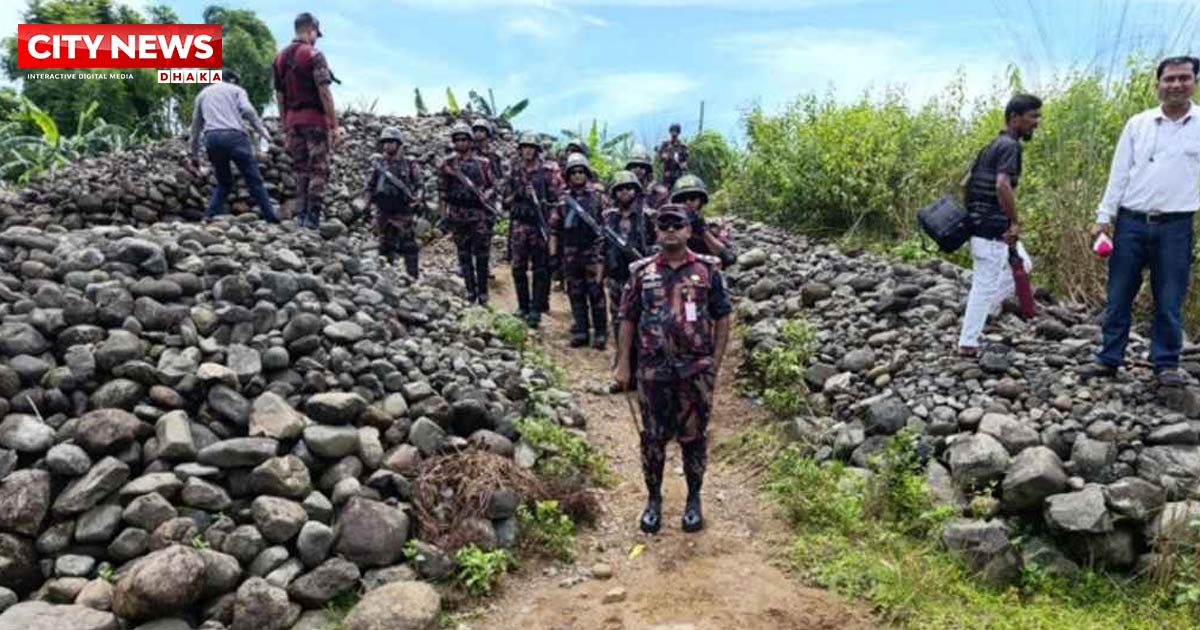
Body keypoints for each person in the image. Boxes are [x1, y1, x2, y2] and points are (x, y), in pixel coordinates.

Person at [1078, 56, 1200, 386]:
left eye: (1183, 78)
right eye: (1169, 79)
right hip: (1131, 223)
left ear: (1194, 82)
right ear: (1158, 83)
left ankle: (1165, 363)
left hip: (1177, 226)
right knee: (1118, 295)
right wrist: (1104, 217)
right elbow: (1118, 174)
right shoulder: (1139, 124)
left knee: (1170, 297)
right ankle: (1109, 357)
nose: (1176, 84)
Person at [613, 205, 732, 534]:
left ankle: (694, 500)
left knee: (693, 439)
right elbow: (628, 318)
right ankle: (653, 500)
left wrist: (716, 362)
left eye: (676, 224)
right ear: (656, 231)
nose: (669, 230)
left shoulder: (709, 270)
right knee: (652, 439)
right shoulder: (641, 271)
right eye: (663, 225)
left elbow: (723, 315)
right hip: (652, 370)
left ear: (688, 231)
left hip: (695, 370)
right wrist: (624, 363)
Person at [956, 94, 1042, 358]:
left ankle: (979, 311)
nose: (1036, 123)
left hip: (981, 225)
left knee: (1023, 265)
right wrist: (1013, 221)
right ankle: (968, 341)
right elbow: (1002, 184)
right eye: (1032, 116)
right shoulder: (1010, 147)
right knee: (984, 282)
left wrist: (974, 213)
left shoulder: (990, 145)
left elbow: (965, 183)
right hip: (994, 229)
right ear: (1014, 117)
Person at [273, 12, 339, 229]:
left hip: (293, 122)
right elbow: (324, 93)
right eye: (316, 34)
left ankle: (301, 216)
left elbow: (280, 97)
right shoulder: (314, 55)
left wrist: (285, 126)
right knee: (319, 169)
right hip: (315, 121)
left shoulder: (279, 58)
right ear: (311, 29)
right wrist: (334, 125)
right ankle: (313, 218)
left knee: (300, 170)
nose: (316, 38)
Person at [189, 68, 278, 223]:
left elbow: (195, 128)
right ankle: (271, 217)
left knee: (224, 182)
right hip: (235, 137)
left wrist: (195, 156)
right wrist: (264, 133)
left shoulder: (203, 94)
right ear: (232, 80)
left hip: (212, 138)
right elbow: (248, 110)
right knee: (254, 180)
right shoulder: (237, 90)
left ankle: (208, 216)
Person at [604, 170, 655, 390]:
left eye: (629, 188)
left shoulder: (648, 218)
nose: (625, 192)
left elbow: (658, 246)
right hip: (617, 278)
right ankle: (624, 373)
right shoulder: (608, 217)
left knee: (644, 325)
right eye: (621, 189)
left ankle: (644, 375)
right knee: (619, 324)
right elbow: (601, 245)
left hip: (641, 278)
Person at [550, 153, 607, 349]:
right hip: (570, 253)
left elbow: (607, 227)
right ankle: (581, 330)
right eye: (573, 172)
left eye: (581, 172)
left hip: (593, 252)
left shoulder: (598, 199)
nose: (577, 175)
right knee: (575, 293)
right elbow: (554, 230)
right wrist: (552, 256)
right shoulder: (563, 201)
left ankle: (600, 333)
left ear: (587, 174)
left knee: (596, 293)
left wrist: (602, 257)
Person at [507, 132, 562, 328]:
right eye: (524, 147)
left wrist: (552, 223)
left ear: (537, 150)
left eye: (531, 147)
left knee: (541, 269)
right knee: (518, 268)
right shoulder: (515, 171)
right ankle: (522, 306)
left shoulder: (548, 171)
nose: (527, 150)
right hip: (520, 225)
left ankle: (536, 309)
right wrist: (520, 193)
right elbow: (505, 199)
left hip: (540, 225)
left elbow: (558, 200)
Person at [439, 122, 497, 305]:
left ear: (471, 142)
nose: (461, 143)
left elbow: (494, 185)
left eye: (464, 139)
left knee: (481, 256)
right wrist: (443, 215)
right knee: (463, 256)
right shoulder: (448, 164)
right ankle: (470, 292)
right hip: (457, 214)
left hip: (478, 214)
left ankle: (483, 293)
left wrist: (486, 196)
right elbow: (442, 191)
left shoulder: (484, 164)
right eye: (457, 140)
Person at [359, 126, 425, 278]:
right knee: (385, 246)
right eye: (385, 142)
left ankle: (412, 279)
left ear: (399, 144)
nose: (387, 145)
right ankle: (386, 279)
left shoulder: (409, 164)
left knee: (409, 246)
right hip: (383, 212)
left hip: (403, 211)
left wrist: (418, 199)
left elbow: (419, 185)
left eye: (391, 142)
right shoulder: (378, 165)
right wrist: (366, 205)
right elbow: (369, 187)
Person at [669, 174, 737, 267]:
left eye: (692, 198)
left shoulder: (714, 227)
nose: (687, 202)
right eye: (682, 199)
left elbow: (729, 258)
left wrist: (703, 231)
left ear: (700, 201)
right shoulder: (667, 227)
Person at [657, 123, 689, 190]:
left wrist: (681, 164)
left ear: (679, 133)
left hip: (678, 177)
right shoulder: (665, 145)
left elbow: (685, 162)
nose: (674, 133)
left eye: (676, 131)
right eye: (672, 131)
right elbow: (660, 159)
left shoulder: (683, 146)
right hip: (667, 177)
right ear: (670, 132)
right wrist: (664, 156)